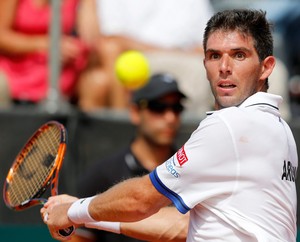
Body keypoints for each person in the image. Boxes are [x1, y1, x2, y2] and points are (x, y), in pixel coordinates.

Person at [41, 9, 298, 242]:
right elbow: (182, 225)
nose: (224, 67)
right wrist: (82, 212)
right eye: (214, 55)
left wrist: (72, 211)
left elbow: (141, 199)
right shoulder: (280, 130)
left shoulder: (230, 125)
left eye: (239, 55)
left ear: (266, 68)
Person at [72, 72, 188, 242]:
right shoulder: (101, 175)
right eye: (158, 107)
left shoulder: (192, 171)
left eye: (176, 108)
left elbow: (186, 226)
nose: (170, 117)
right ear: (135, 112)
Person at [76, 0, 215, 114]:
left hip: (185, 59)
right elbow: (111, 38)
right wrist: (168, 51)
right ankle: (120, 125)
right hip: (137, 58)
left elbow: (207, 41)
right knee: (101, 72)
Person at [0, 0, 98, 108]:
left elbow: (91, 43)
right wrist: (46, 44)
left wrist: (88, 4)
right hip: (16, 75)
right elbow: (2, 36)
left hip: (61, 77)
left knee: (97, 82)